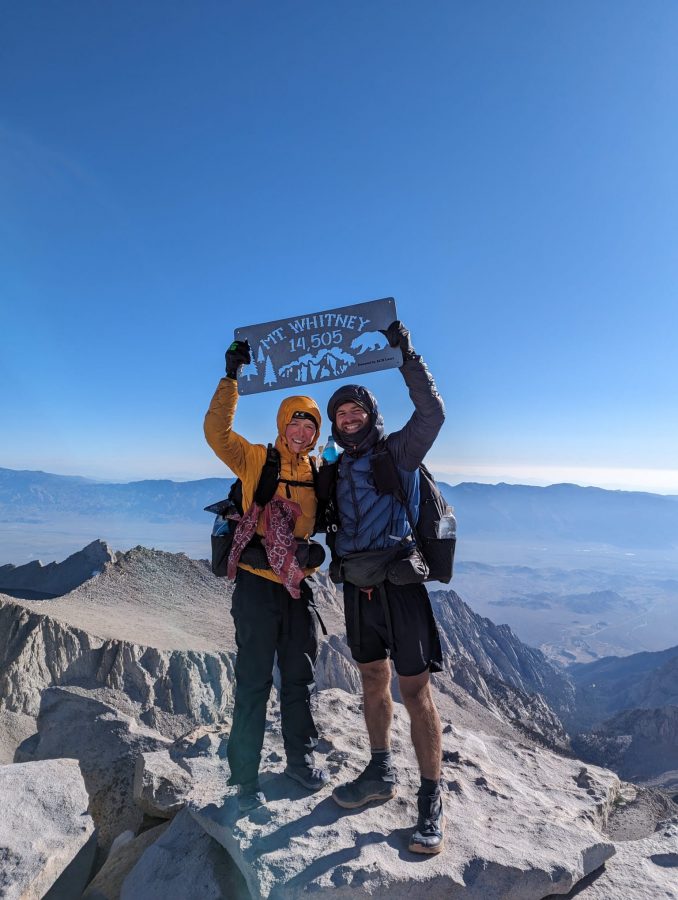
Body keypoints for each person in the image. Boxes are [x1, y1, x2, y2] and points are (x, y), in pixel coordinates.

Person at [325, 320, 446, 854]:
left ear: (373, 416)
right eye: (341, 416)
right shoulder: (333, 469)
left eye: (357, 413)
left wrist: (406, 355)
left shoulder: (397, 453)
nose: (349, 421)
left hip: (399, 586)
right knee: (373, 679)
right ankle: (380, 773)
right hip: (358, 590)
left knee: (415, 690)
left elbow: (432, 414)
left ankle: (431, 801)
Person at [204, 339, 329, 812]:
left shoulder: (319, 471)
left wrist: (312, 553)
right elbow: (218, 433)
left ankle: (300, 760)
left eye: (309, 424)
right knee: (254, 680)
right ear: (282, 424)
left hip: (298, 589)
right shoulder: (258, 459)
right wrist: (231, 377)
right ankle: (244, 777)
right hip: (257, 584)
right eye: (295, 421)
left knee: (299, 678)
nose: (301, 430)